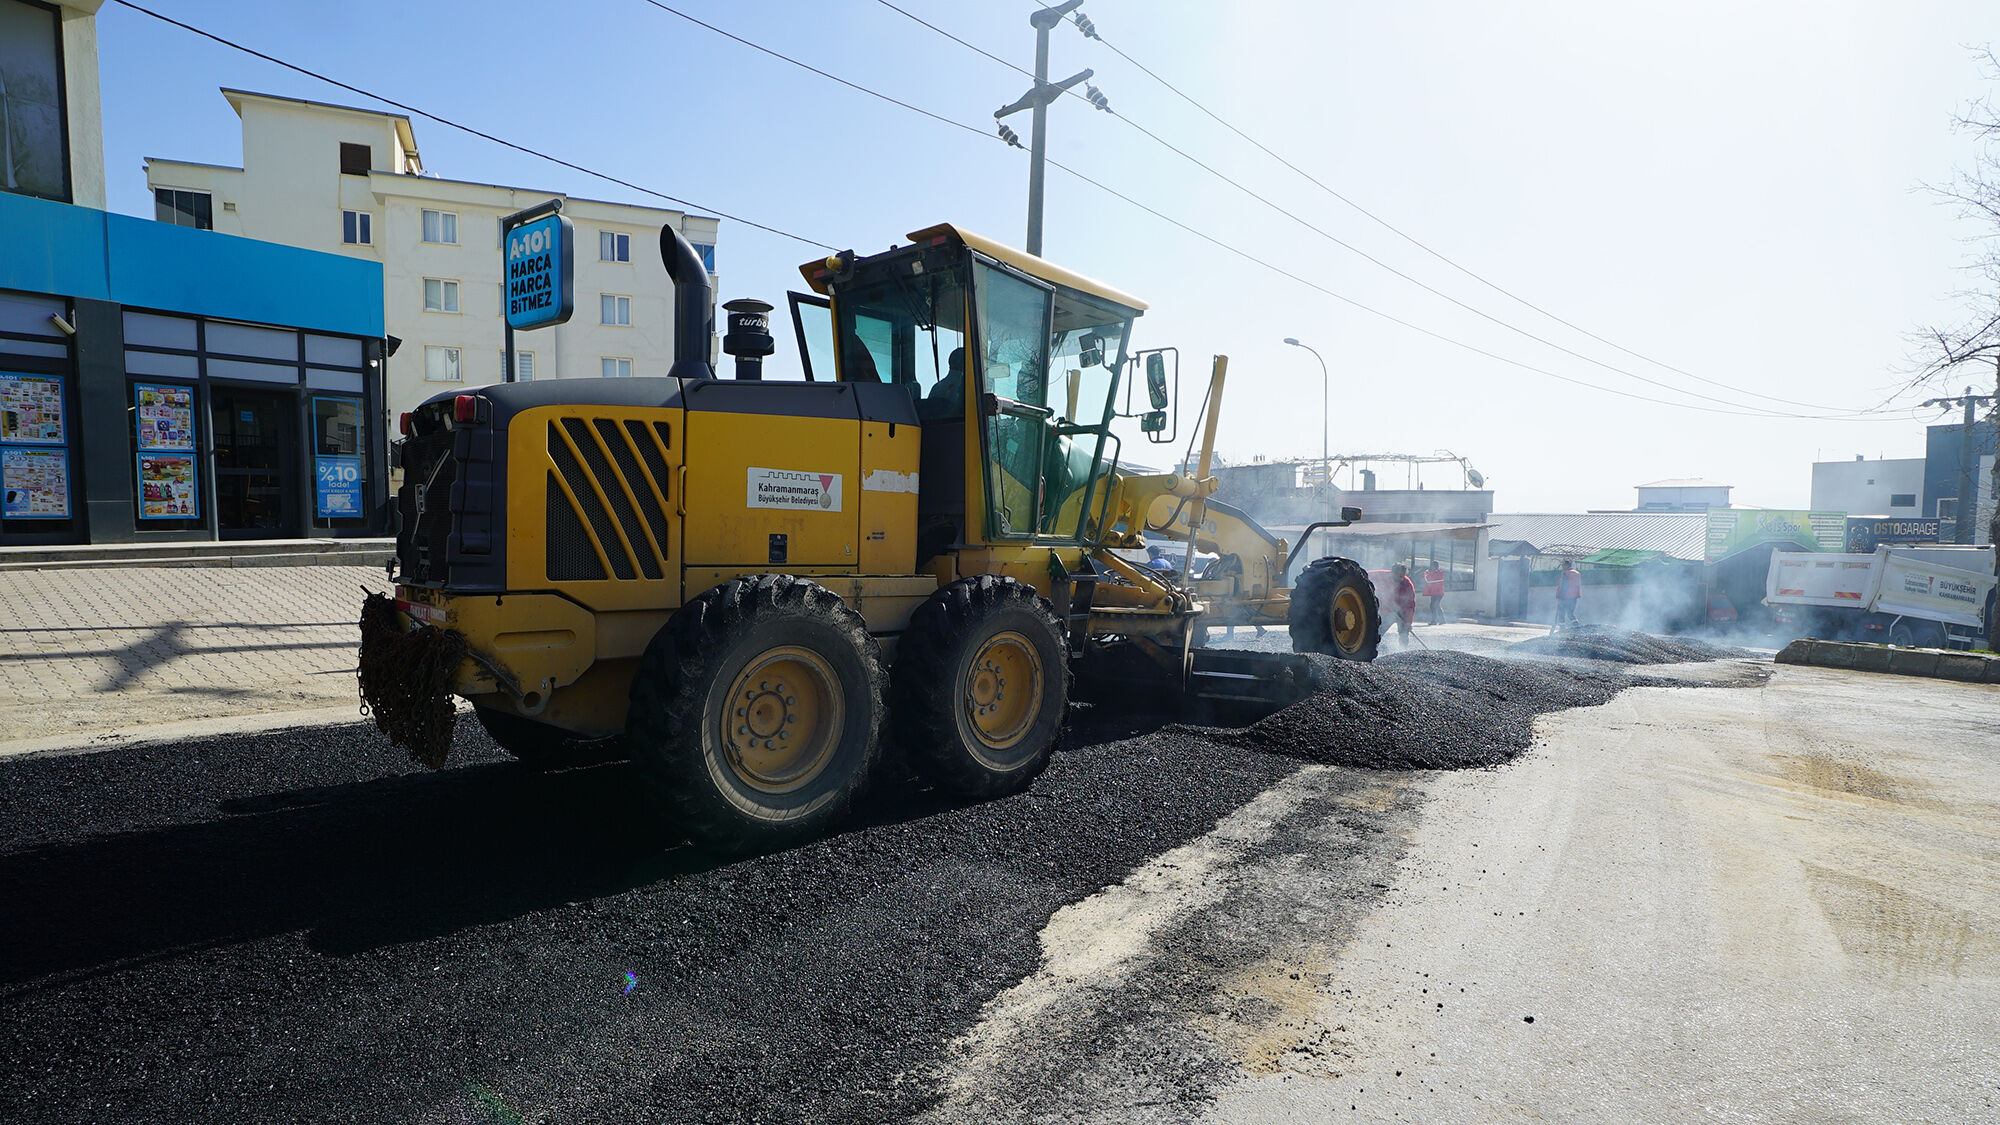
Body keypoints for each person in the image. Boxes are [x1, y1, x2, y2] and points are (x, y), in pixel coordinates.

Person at [1390, 562, 1418, 648]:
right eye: (1399, 575)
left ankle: (1403, 650)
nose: (1401, 578)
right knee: (1379, 629)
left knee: (1404, 631)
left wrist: (1408, 622)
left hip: (1402, 610)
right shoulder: (1383, 577)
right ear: (1393, 573)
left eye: (1402, 576)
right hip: (1386, 608)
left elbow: (1410, 605)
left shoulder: (1407, 584)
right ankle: (1373, 648)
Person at [1552, 559, 1583, 633]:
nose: (1562, 566)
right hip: (1574, 597)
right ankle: (1576, 626)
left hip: (1565, 596)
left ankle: (1562, 628)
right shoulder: (1577, 573)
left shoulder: (1565, 573)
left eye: (1563, 565)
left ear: (1566, 565)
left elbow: (1564, 586)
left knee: (1561, 613)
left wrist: (1559, 596)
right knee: (1570, 613)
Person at [1422, 560, 1448, 625]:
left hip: (1439, 592)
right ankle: (1441, 620)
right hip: (1434, 592)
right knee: (1435, 605)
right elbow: (1427, 578)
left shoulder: (1440, 572)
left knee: (1434, 605)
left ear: (1435, 566)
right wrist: (1427, 573)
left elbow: (1430, 578)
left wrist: (1426, 573)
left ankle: (1435, 621)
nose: (1431, 567)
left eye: (1432, 565)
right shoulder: (1434, 572)